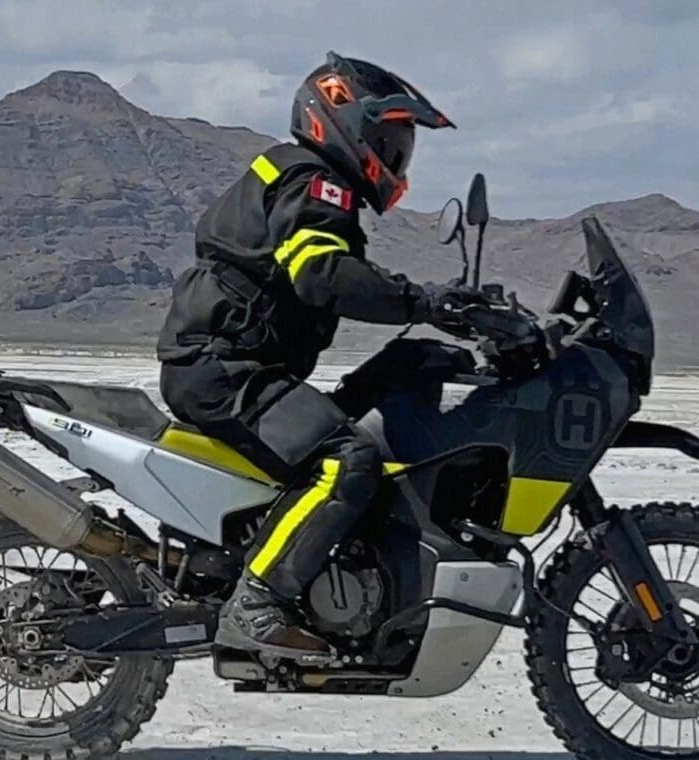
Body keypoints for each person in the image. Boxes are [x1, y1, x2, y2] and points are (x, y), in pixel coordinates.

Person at [156, 51, 482, 660]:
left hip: (239, 367)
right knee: (348, 458)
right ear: (343, 122)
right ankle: (257, 603)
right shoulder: (312, 180)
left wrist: (431, 336)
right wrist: (424, 301)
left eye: (399, 145)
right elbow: (323, 275)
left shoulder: (305, 179)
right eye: (387, 140)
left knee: (392, 377)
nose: (395, 157)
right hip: (224, 373)